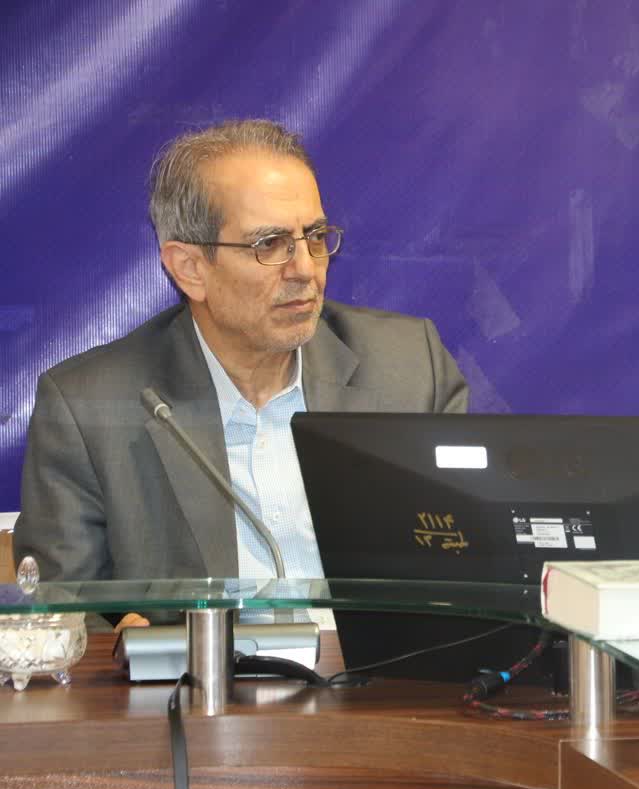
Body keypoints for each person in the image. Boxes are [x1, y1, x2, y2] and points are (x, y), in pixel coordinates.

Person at [14, 119, 468, 596]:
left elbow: (475, 567)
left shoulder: (410, 370)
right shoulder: (89, 407)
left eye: (315, 237)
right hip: (205, 648)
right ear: (190, 269)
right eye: (269, 244)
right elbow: (60, 610)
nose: (305, 270)